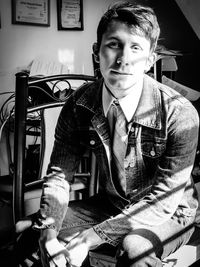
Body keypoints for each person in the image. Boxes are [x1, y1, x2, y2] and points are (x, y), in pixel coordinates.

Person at [15, 1, 199, 267]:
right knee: (33, 231)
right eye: (114, 44)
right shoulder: (78, 104)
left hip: (171, 213)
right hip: (112, 203)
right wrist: (49, 234)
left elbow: (163, 201)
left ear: (150, 60)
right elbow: (60, 176)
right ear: (96, 52)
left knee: (134, 247)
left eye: (135, 48)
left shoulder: (179, 113)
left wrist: (91, 237)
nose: (124, 58)